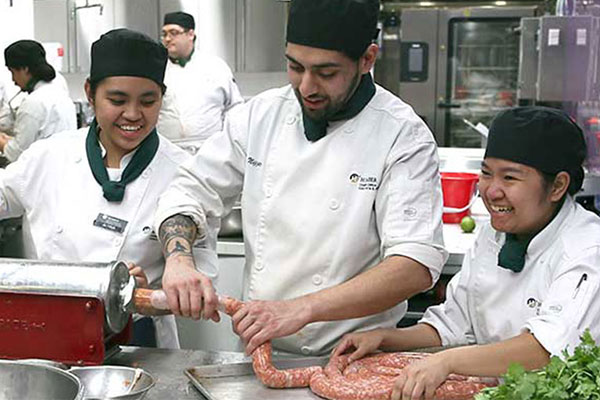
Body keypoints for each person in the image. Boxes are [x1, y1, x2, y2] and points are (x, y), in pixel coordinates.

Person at [154, 0, 447, 357]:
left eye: (326, 73)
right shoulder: (260, 115)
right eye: (295, 67)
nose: (307, 87)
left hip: (355, 357)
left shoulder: (402, 135)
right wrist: (179, 258)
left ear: (367, 59)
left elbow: (414, 266)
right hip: (259, 351)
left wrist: (301, 308)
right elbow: (190, 190)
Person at [333, 106, 600, 400]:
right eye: (486, 173)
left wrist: (447, 361)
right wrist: (386, 338)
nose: (492, 191)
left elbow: (545, 351)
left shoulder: (587, 249)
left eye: (509, 178)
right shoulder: (493, 235)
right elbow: (453, 326)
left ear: (557, 186)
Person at [0, 29, 218, 348]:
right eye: (117, 100)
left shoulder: (184, 172)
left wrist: (148, 293)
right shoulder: (50, 156)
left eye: (148, 101)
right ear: (90, 93)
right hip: (47, 334)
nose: (132, 114)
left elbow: (201, 284)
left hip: (140, 344)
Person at [157, 11, 243, 144]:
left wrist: (228, 140)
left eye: (173, 33)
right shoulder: (157, 68)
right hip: (168, 148)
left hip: (209, 148)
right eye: (164, 34)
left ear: (190, 34)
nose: (167, 39)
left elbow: (235, 107)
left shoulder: (215, 66)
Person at [0, 40, 76, 162]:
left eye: (13, 72)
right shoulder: (59, 92)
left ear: (25, 69)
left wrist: (1, 141)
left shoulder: (33, 103)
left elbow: (17, 154)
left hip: (43, 173)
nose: (13, 79)